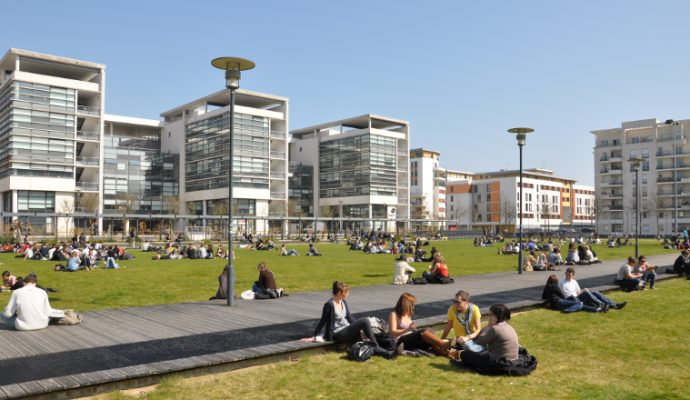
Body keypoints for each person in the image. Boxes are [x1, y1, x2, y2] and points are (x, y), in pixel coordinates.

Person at [301, 281, 395, 359]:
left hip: (347, 329)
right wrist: (313, 336)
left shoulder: (343, 302)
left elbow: (350, 318)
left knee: (366, 334)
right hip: (338, 333)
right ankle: (379, 348)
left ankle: (388, 353)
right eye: (346, 292)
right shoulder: (329, 305)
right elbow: (323, 321)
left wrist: (360, 328)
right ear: (339, 293)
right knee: (365, 321)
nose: (348, 294)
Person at [459, 304, 519, 372]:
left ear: (497, 316)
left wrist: (488, 326)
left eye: (491, 315)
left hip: (499, 363)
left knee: (465, 354)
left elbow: (478, 341)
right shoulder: (508, 326)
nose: (489, 317)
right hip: (513, 360)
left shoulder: (494, 328)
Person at [560, 267, 626, 310]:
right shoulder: (561, 282)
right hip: (571, 299)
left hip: (577, 297)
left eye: (570, 275)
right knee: (586, 293)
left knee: (595, 292)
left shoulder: (574, 281)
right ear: (565, 273)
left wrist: (584, 291)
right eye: (567, 275)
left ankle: (614, 304)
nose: (568, 276)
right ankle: (603, 305)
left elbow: (578, 292)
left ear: (573, 275)